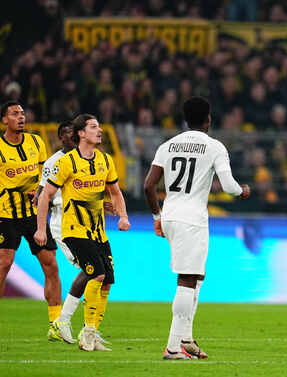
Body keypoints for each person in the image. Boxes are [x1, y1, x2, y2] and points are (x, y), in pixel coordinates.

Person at [144, 96, 250, 360]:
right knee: (187, 279)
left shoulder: (168, 145)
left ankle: (186, 338)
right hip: (192, 220)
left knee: (195, 277)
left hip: (170, 215)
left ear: (185, 119)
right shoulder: (215, 147)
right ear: (209, 119)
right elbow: (228, 186)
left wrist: (157, 215)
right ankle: (172, 347)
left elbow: (148, 185)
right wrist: (243, 190)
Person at [34, 114, 130, 351]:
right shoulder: (66, 162)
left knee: (106, 281)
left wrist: (123, 215)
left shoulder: (105, 160)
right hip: (74, 230)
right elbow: (45, 195)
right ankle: (71, 326)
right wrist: (40, 228)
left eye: (99, 127)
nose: (100, 131)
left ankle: (90, 332)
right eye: (94, 127)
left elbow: (115, 192)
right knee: (95, 274)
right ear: (81, 133)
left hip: (98, 232)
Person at [0, 101, 61, 338]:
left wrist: (37, 190)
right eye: (15, 114)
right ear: (5, 120)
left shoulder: (36, 142)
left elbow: (43, 177)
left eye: (23, 113)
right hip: (5, 213)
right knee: (4, 263)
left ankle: (56, 325)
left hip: (35, 214)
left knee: (51, 264)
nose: (21, 117)